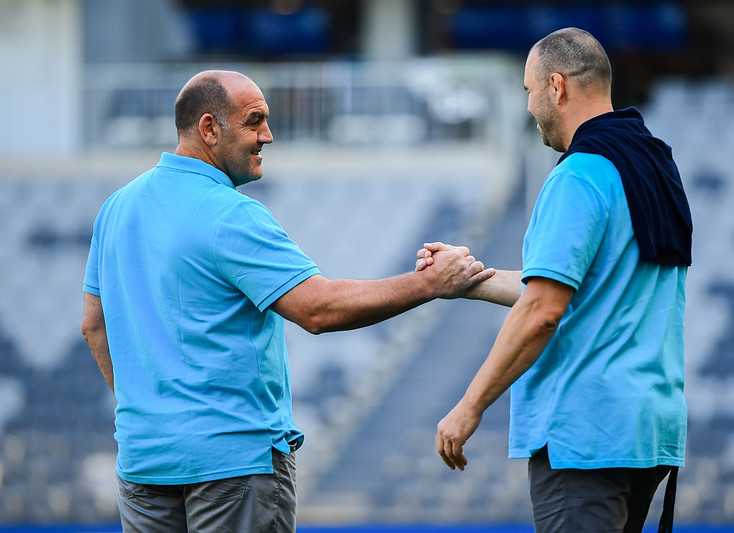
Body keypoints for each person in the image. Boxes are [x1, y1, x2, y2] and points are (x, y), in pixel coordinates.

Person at [80, 69, 493, 533]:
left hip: (143, 459)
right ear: (209, 129)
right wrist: (432, 283)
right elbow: (318, 309)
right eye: (255, 121)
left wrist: (155, 413)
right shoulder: (230, 215)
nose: (268, 136)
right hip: (231, 462)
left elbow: (93, 326)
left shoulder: (116, 208)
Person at [418, 27, 692, 532]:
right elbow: (582, 287)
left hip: (585, 431)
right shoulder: (652, 167)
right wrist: (467, 278)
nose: (528, 108)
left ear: (557, 87)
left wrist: (469, 406)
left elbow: (544, 310)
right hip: (647, 429)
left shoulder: (579, 174)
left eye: (528, 91)